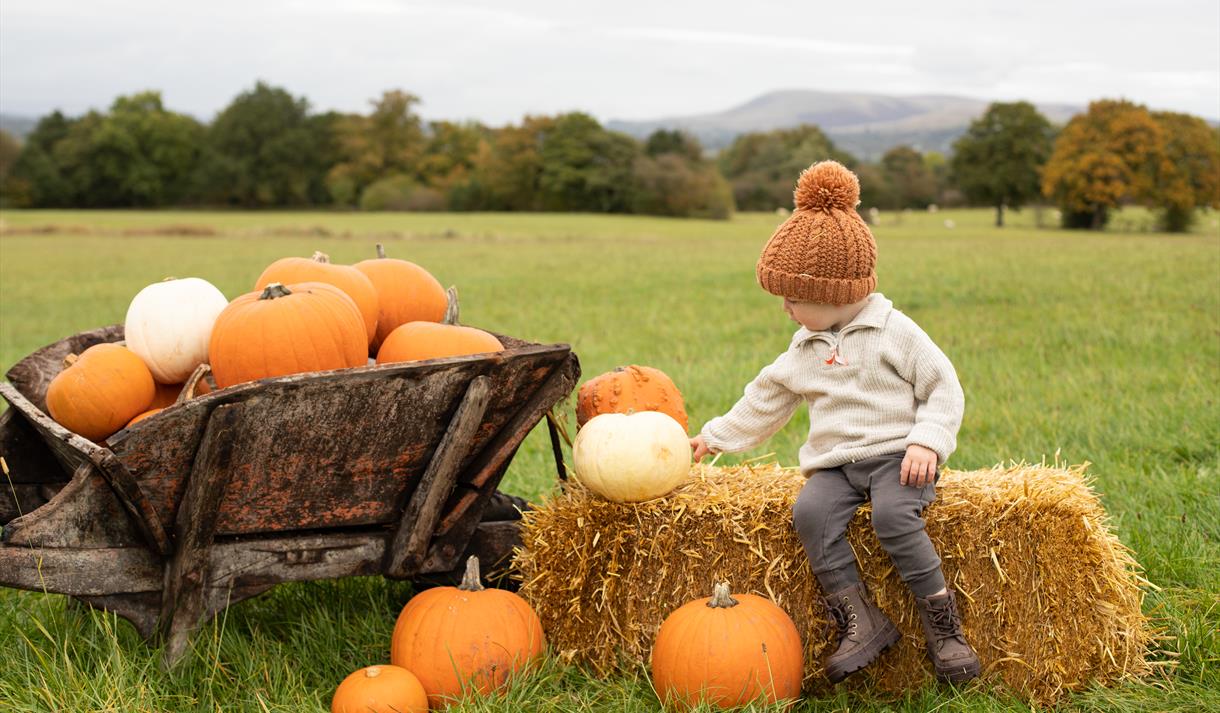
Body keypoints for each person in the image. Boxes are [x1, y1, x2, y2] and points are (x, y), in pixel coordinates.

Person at [689, 160, 980, 684]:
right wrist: (713, 438)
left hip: (897, 459)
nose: (786, 309)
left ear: (835, 293)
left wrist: (927, 444)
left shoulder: (895, 332)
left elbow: (943, 387)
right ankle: (860, 618)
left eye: (794, 298)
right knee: (811, 514)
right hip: (836, 467)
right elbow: (766, 399)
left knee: (894, 518)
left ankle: (943, 624)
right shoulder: (804, 348)